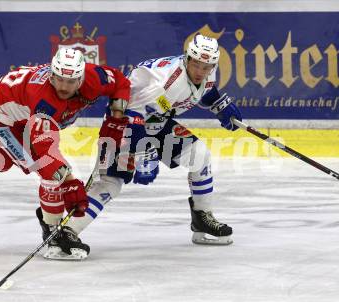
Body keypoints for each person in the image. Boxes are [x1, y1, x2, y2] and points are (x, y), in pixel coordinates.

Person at [48, 34, 243, 259]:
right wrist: (142, 154)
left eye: (206, 66)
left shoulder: (205, 71)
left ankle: (202, 219)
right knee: (110, 183)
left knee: (200, 155)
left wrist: (221, 105)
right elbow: (131, 113)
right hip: (123, 125)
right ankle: (68, 231)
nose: (200, 70)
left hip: (156, 122)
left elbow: (204, 89)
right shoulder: (164, 80)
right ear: (187, 58)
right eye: (196, 64)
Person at [0, 48, 131, 259]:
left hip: (20, 105)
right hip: (4, 117)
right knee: (49, 175)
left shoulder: (95, 77)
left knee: (1, 159)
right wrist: (70, 182)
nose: (63, 86)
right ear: (52, 75)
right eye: (59, 79)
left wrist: (117, 117)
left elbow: (122, 83)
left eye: (70, 81)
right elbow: (45, 153)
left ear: (81, 79)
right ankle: (54, 235)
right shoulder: (45, 101)